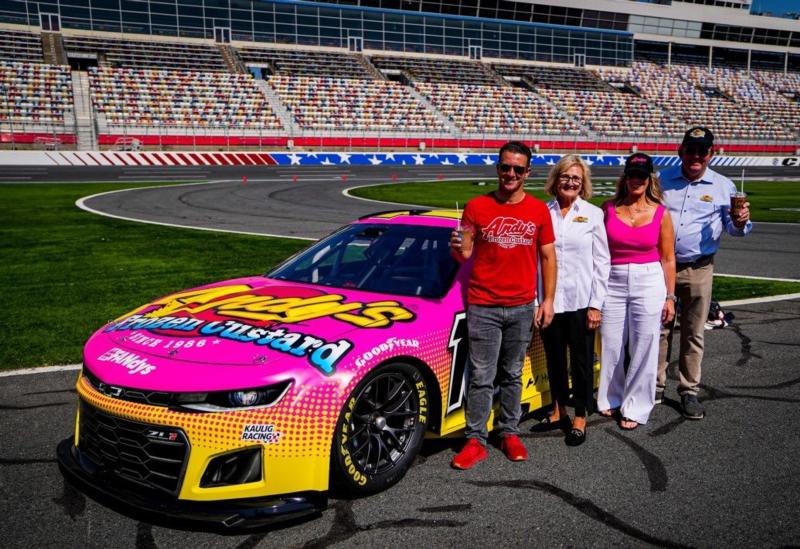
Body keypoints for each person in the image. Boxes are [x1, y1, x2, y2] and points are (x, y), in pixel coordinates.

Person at [449, 141, 557, 469]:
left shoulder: (538, 211)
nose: (510, 173)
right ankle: (475, 439)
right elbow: (464, 253)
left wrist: (548, 300)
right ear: (497, 168)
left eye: (518, 169)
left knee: (511, 373)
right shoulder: (476, 206)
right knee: (481, 374)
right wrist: (456, 246)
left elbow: (548, 256)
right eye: (505, 167)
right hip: (483, 303)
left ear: (528, 173)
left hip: (523, 304)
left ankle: (509, 431)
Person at [658, 127, 752, 419]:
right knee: (659, 329)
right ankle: (654, 386)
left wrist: (740, 221)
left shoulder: (724, 186)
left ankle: (688, 390)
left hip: (699, 267)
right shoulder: (661, 181)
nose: (695, 156)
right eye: (691, 150)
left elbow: (735, 230)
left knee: (693, 332)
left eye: (702, 151)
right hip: (661, 267)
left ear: (711, 154)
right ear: (680, 152)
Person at [531, 155, 610, 446]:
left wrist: (595, 304)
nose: (570, 182)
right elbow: (534, 261)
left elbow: (602, 262)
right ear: (555, 180)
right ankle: (557, 410)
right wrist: (537, 301)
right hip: (550, 301)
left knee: (580, 362)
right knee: (553, 359)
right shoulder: (542, 212)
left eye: (576, 178)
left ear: (583, 184)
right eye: (565, 176)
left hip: (580, 301)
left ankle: (580, 415)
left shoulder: (592, 214)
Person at [598, 153, 676, 430]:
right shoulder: (607, 208)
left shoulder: (660, 213)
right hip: (613, 279)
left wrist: (670, 297)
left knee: (644, 344)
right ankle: (610, 396)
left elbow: (668, 258)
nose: (636, 180)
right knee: (610, 341)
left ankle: (637, 406)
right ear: (625, 177)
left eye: (641, 176)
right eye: (632, 175)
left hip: (649, 280)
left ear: (649, 179)